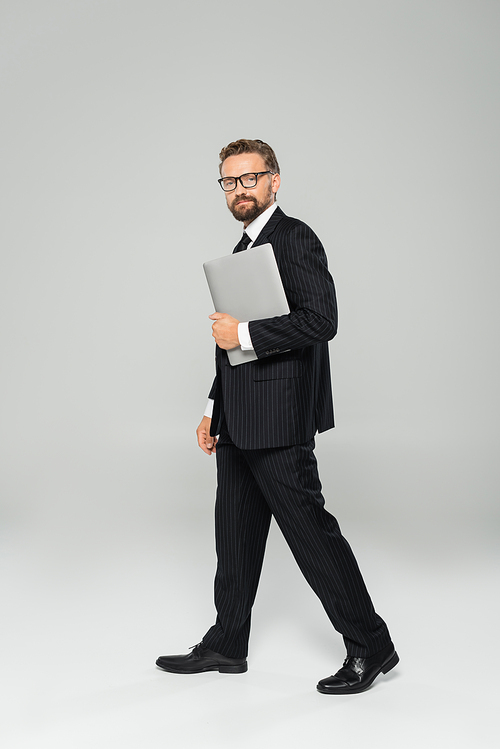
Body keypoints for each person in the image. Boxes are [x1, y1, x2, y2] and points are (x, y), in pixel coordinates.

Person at [156, 139, 398, 694]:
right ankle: (227, 641)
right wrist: (213, 407)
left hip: (280, 418)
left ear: (275, 181)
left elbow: (321, 320)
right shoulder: (243, 248)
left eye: (250, 178)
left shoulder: (295, 238)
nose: (239, 189)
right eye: (229, 181)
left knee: (312, 534)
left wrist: (242, 332)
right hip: (240, 417)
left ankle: (371, 644)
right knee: (234, 536)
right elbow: (233, 350)